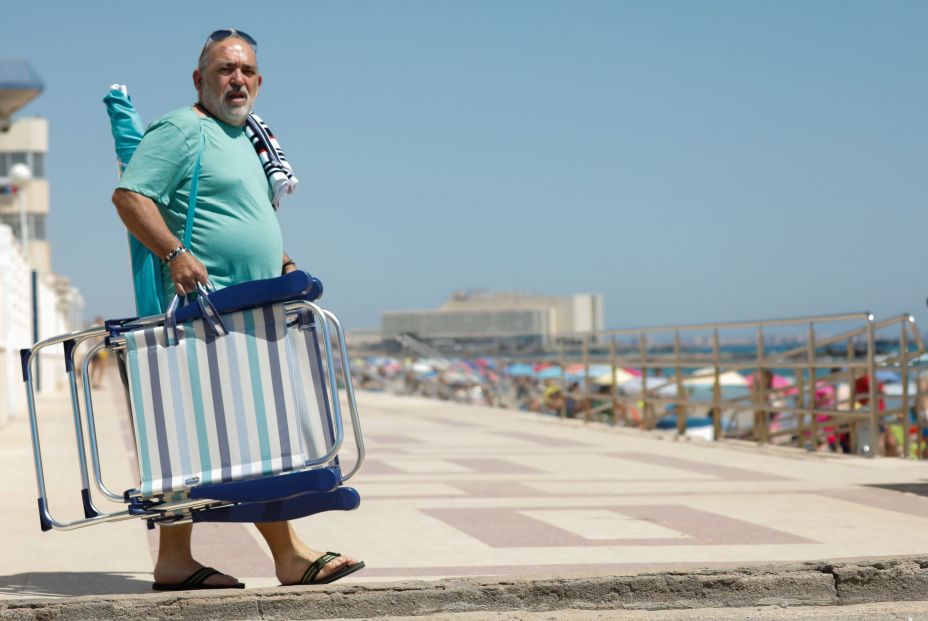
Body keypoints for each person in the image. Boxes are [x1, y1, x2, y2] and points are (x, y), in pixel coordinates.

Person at [111, 28, 363, 590]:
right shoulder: (184, 128)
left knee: (245, 444)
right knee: (194, 441)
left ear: (260, 80)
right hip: (199, 316)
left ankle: (272, 556)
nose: (238, 79)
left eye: (247, 70)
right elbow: (131, 196)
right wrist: (175, 253)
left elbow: (246, 217)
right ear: (200, 79)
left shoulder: (245, 138)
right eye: (225, 70)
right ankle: (207, 559)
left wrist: (285, 262)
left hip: (248, 315)